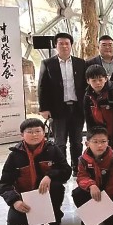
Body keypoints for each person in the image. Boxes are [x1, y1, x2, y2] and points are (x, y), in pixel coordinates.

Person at [0, 118, 71, 225]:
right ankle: (38, 216)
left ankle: (55, 218)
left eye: (38, 131)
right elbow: (5, 183)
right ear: (22, 135)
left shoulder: (53, 149)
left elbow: (66, 171)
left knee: (56, 186)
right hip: (26, 196)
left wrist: (49, 175)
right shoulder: (14, 156)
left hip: (47, 193)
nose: (34, 135)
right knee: (15, 222)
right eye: (30, 132)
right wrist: (15, 201)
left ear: (43, 132)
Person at [38, 32, 86, 176]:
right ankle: (62, 168)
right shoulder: (47, 63)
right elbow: (42, 87)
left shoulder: (80, 63)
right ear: (56, 45)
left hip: (77, 108)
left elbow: (85, 86)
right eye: (61, 43)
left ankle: (77, 168)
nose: (64, 46)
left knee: (77, 141)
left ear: (71, 45)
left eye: (67, 43)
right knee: (60, 142)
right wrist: (44, 108)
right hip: (57, 109)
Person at [72, 127, 113, 225]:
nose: (100, 145)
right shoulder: (83, 160)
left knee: (109, 224)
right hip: (92, 192)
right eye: (95, 142)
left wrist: (102, 201)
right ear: (87, 143)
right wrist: (91, 185)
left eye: (103, 141)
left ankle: (108, 213)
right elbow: (81, 177)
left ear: (108, 142)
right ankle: (87, 222)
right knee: (77, 193)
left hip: (109, 195)